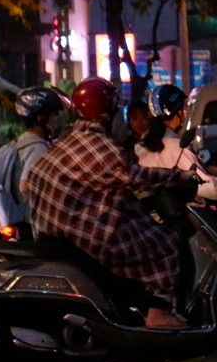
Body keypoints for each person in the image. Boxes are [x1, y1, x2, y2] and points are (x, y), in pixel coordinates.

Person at [22, 76, 195, 330]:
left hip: (52, 230)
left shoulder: (64, 142)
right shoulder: (102, 148)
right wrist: (177, 177)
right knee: (166, 242)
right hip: (82, 235)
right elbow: (135, 177)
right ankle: (158, 314)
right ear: (106, 114)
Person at [132, 84, 217, 202]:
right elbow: (207, 185)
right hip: (179, 216)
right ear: (177, 112)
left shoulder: (142, 148)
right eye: (182, 107)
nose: (185, 111)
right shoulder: (175, 146)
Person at [0, 85, 69, 238]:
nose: (57, 119)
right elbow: (25, 186)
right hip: (29, 225)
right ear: (40, 118)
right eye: (54, 115)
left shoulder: (20, 143)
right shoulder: (38, 147)